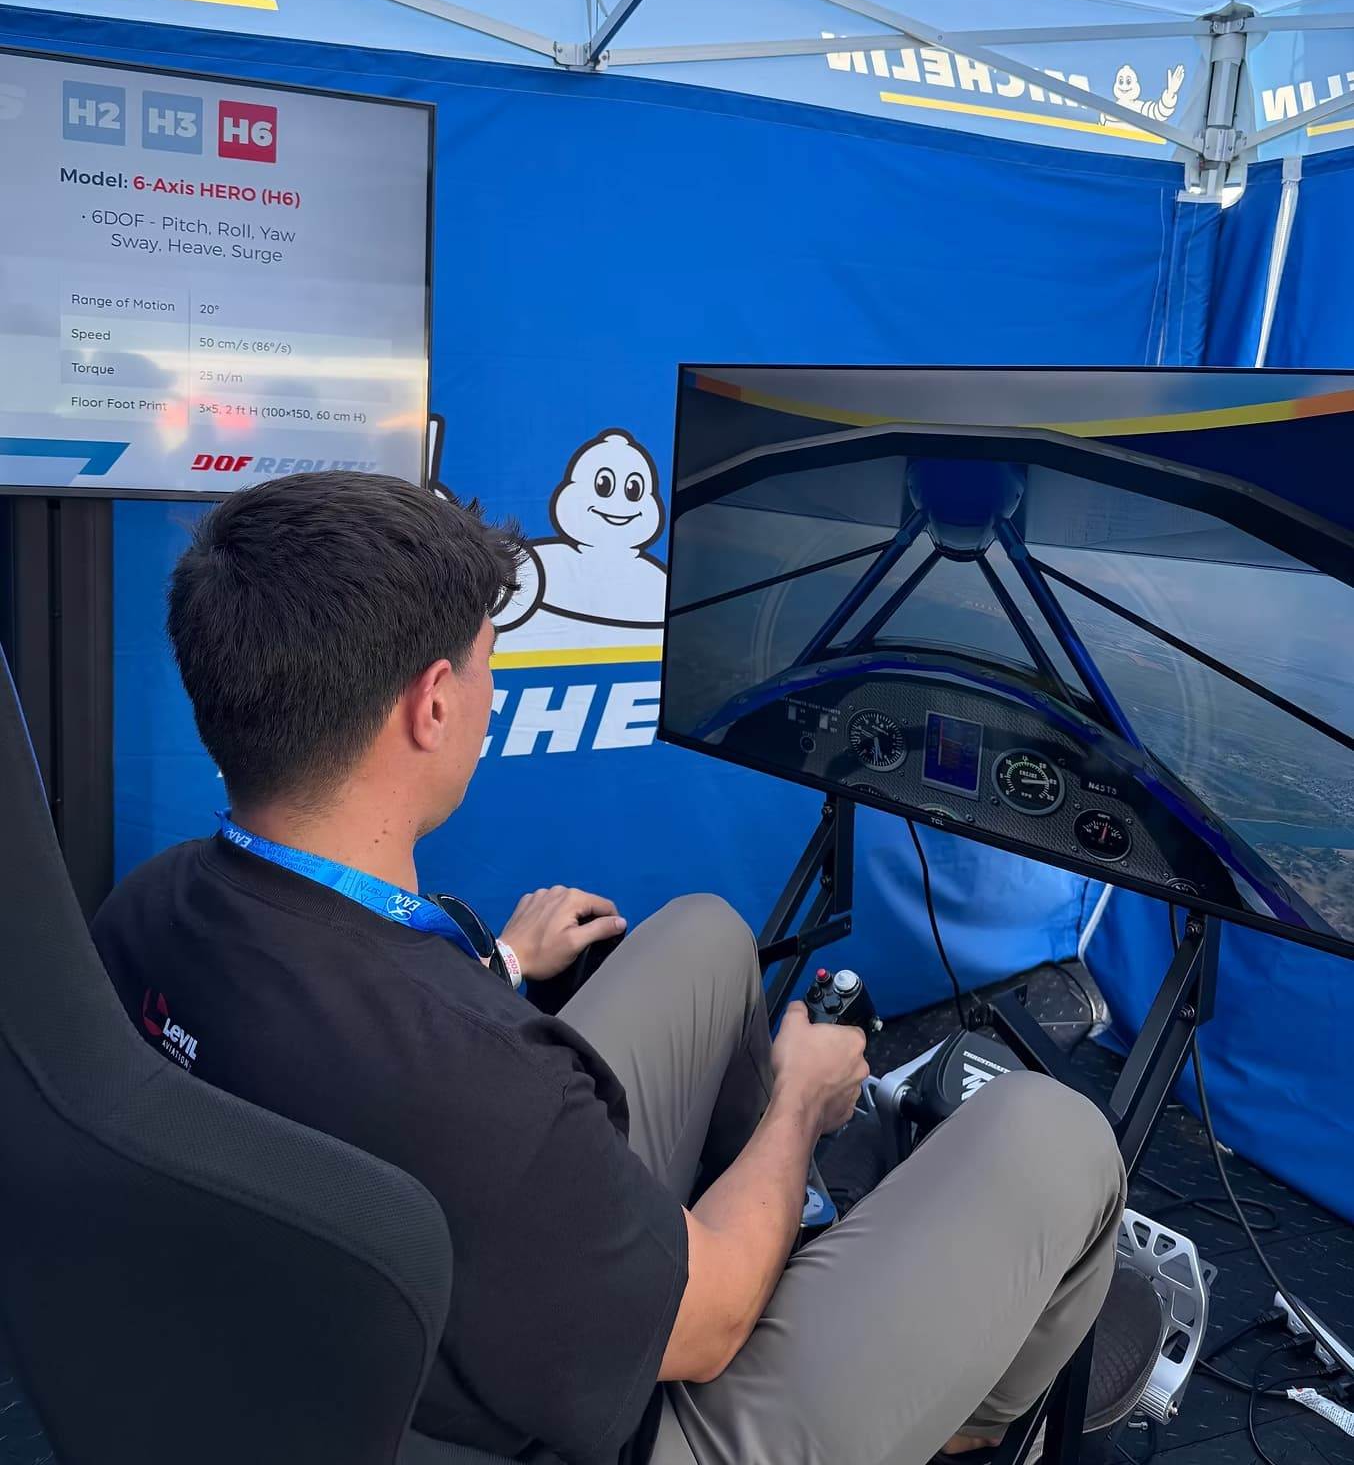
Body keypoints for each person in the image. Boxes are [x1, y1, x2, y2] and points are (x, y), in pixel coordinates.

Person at [92, 472, 1127, 1465]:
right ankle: (964, 1425)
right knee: (1056, 1135)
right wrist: (798, 1108)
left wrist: (500, 963)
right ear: (432, 705)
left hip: (340, 1348)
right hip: (582, 1416)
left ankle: (776, 1226)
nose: (492, 695)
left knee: (704, 936)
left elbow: (358, 1058)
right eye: (487, 664)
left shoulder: (147, 907)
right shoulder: (481, 1079)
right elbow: (705, 1329)